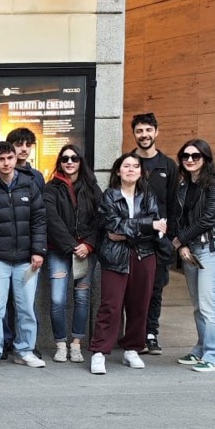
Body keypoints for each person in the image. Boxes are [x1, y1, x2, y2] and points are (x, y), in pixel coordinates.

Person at [0, 141, 46, 370]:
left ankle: (25, 350)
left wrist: (38, 251)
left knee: (26, 308)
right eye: (1, 159)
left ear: (16, 159)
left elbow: (39, 220)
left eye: (10, 158)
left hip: (26, 259)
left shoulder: (29, 186)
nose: (6, 163)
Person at [87, 153, 163, 375]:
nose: (131, 169)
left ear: (141, 172)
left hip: (144, 255)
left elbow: (154, 229)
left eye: (135, 166)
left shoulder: (148, 196)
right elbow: (112, 229)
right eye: (126, 166)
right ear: (118, 171)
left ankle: (132, 348)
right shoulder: (109, 196)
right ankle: (100, 351)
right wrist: (146, 226)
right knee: (110, 305)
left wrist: (130, 229)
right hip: (115, 257)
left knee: (140, 304)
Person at [173, 138, 215, 373]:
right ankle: (202, 349)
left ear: (205, 159)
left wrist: (178, 240)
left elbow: (208, 219)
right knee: (199, 306)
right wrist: (182, 245)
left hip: (211, 250)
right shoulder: (184, 185)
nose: (189, 160)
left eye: (195, 156)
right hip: (190, 250)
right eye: (185, 156)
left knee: (209, 305)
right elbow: (179, 217)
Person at [44, 144, 101, 364]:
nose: (69, 162)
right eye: (65, 158)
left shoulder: (92, 188)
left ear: (80, 162)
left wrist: (88, 245)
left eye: (74, 158)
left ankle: (76, 345)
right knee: (58, 299)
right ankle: (60, 344)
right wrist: (71, 245)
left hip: (86, 252)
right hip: (59, 251)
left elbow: (101, 219)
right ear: (59, 162)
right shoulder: (51, 188)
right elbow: (51, 219)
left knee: (82, 298)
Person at [131, 112, 178, 356]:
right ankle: (134, 335)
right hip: (133, 239)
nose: (144, 135)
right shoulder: (128, 162)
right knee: (134, 289)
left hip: (159, 241)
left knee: (156, 288)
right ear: (134, 134)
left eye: (148, 130)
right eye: (139, 131)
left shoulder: (168, 166)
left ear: (156, 132)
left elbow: (173, 204)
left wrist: (173, 239)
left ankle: (151, 333)